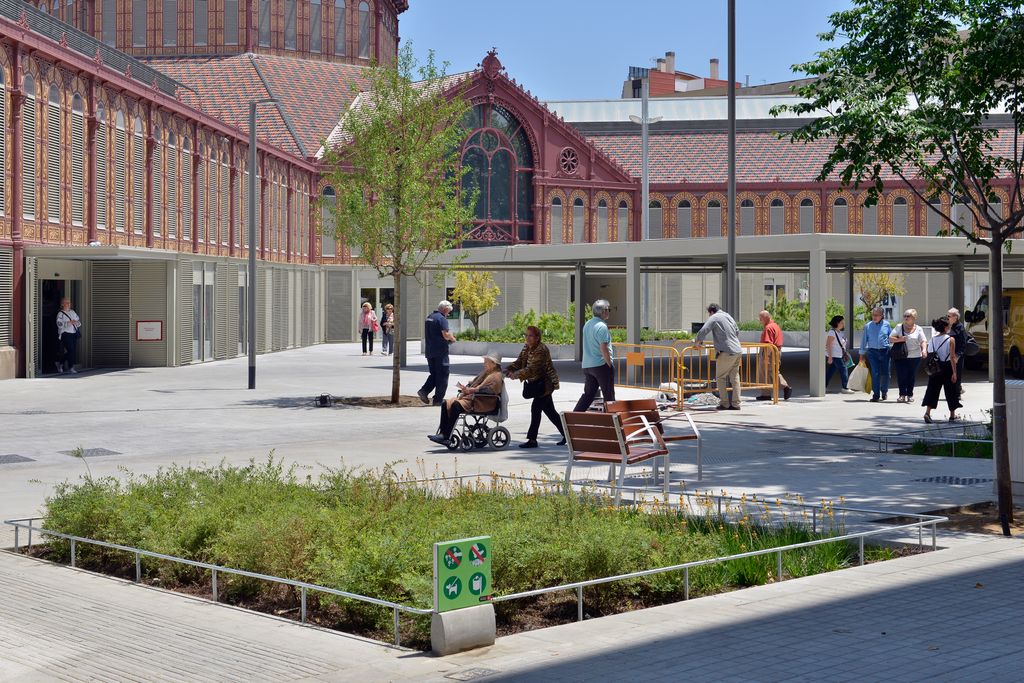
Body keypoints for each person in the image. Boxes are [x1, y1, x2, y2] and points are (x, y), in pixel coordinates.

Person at [505, 326, 566, 448]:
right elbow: (519, 361)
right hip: (537, 383)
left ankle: (532, 440)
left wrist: (515, 375)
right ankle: (568, 435)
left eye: (530, 336)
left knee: (536, 409)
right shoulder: (527, 347)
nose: (527, 338)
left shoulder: (541, 350)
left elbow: (532, 369)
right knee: (550, 412)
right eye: (526, 335)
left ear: (537, 338)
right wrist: (508, 369)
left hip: (545, 384)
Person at [428, 354, 504, 445]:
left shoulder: (496, 376)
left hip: (484, 402)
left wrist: (472, 390)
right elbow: (474, 384)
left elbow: (490, 391)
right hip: (475, 399)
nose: (484, 364)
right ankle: (442, 433)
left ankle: (446, 436)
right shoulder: (486, 373)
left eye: (486, 362)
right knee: (445, 403)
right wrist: (467, 388)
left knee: (456, 405)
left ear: (494, 364)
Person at [695, 303, 742, 410]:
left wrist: (698, 341)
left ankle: (724, 403)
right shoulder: (728, 316)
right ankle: (736, 403)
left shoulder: (714, 317)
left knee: (720, 377)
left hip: (726, 351)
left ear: (711, 311)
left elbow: (704, 330)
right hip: (737, 349)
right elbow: (737, 331)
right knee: (735, 377)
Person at [572, 299, 616, 412]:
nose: (609, 312)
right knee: (609, 396)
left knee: (588, 394)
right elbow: (604, 348)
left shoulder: (587, 324)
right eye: (608, 309)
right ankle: (610, 420)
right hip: (601, 365)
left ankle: (574, 416)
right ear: (604, 311)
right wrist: (609, 364)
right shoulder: (602, 326)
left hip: (588, 365)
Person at [923, 316, 961, 423]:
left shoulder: (932, 339)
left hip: (935, 367)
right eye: (949, 325)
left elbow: (930, 353)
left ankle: (927, 413)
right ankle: (952, 415)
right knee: (951, 391)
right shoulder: (950, 339)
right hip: (947, 366)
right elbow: (952, 357)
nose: (950, 327)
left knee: (932, 390)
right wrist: (954, 372)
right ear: (945, 327)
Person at [418, 300, 456, 406]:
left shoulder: (430, 317)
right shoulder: (442, 319)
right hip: (440, 352)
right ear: (445, 309)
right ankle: (438, 400)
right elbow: (445, 334)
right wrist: (452, 338)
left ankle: (424, 391)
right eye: (448, 312)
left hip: (430, 351)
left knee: (434, 374)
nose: (448, 314)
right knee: (443, 375)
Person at [889, 308, 929, 403]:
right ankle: (902, 395)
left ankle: (910, 394)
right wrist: (900, 339)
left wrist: (924, 350)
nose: (906, 318)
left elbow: (923, 341)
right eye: (905, 316)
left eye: (908, 316)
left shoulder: (918, 329)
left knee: (911, 375)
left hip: (915, 356)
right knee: (901, 375)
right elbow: (890, 338)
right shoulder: (899, 327)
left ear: (914, 318)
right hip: (900, 355)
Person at [756, 310, 792, 401]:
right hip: (776, 351)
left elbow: (768, 344)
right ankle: (766, 393)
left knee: (767, 372)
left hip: (769, 351)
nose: (760, 321)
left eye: (760, 318)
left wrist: (766, 357)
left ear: (766, 318)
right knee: (771, 372)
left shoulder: (768, 327)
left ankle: (784, 387)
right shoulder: (775, 325)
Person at [859, 306, 892, 402]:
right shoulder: (868, 326)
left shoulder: (887, 325)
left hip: (885, 352)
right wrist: (861, 355)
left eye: (876, 315)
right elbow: (864, 340)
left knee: (886, 373)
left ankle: (884, 391)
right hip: (872, 352)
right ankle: (876, 395)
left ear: (882, 316)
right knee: (875, 373)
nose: (874, 317)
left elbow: (891, 337)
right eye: (873, 315)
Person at [825, 315, 855, 394]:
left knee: (830, 372)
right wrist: (830, 357)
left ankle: (823, 386)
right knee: (844, 369)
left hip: (840, 354)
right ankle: (845, 387)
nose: (843, 324)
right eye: (842, 322)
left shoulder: (840, 332)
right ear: (837, 323)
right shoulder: (832, 332)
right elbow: (828, 344)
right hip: (835, 355)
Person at [55, 298, 82, 375]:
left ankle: (60, 363)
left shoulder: (72, 312)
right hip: (65, 334)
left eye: (69, 302)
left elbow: (79, 322)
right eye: (66, 302)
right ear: (62, 304)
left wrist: (76, 322)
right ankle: (71, 368)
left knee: (72, 351)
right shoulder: (60, 314)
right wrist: (68, 323)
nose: (68, 304)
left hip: (73, 333)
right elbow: (59, 324)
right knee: (71, 350)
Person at [947, 307, 970, 395]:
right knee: (950, 374)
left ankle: (957, 393)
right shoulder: (949, 326)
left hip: (956, 355)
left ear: (955, 317)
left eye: (949, 316)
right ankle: (958, 389)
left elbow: (963, 343)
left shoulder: (960, 327)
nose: (947, 317)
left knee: (957, 374)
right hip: (948, 355)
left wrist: (958, 355)